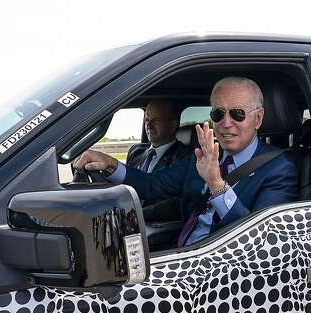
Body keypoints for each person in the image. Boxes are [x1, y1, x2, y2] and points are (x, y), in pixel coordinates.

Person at [74, 77, 298, 247]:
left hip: (229, 273)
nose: (226, 123)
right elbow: (153, 185)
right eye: (219, 114)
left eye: (237, 114)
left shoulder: (279, 169)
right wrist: (110, 164)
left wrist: (216, 185)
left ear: (258, 118)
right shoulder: (203, 156)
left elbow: (261, 242)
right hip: (185, 254)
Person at [125, 100, 192, 221]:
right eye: (147, 120)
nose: (149, 125)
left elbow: (173, 204)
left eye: (156, 120)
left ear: (172, 125)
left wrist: (133, 216)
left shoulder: (185, 156)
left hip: (156, 227)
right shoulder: (136, 152)